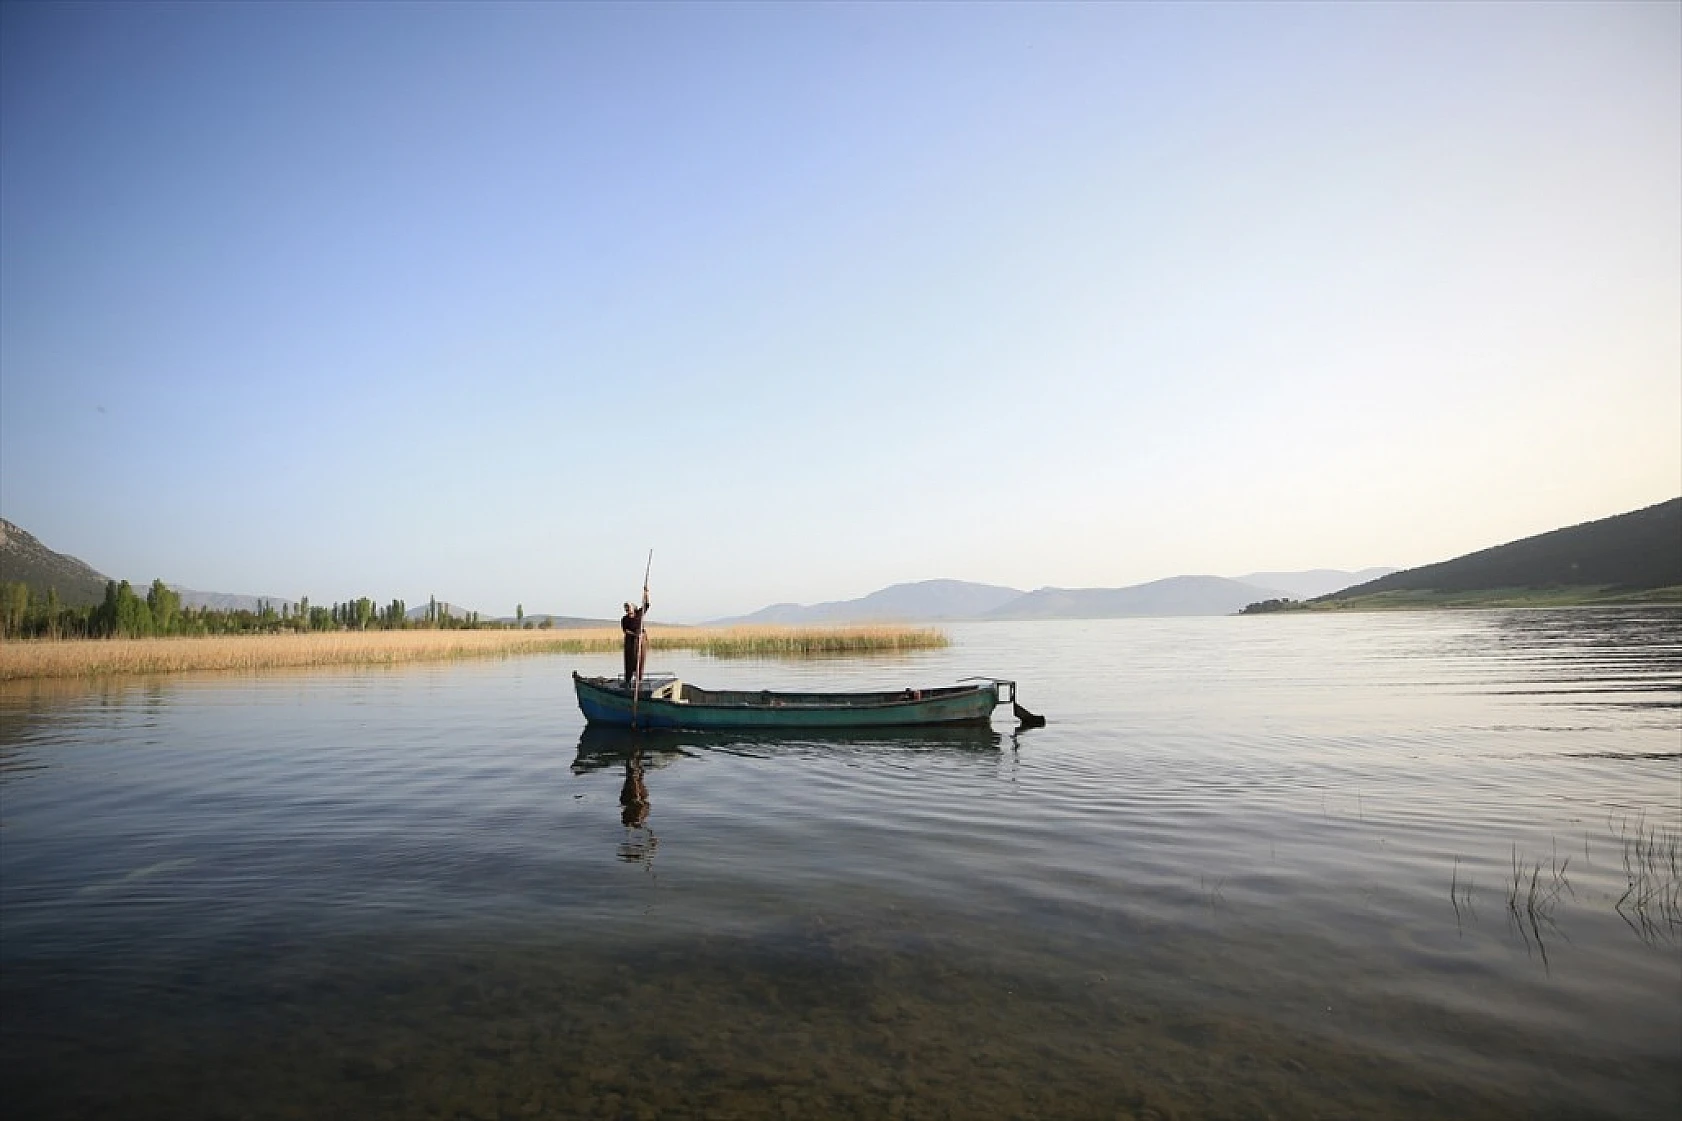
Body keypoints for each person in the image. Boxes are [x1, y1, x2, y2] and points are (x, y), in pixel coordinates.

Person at [621, 590, 649, 685]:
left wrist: (646, 593)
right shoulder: (624, 619)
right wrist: (634, 635)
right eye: (626, 608)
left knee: (640, 659)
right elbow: (625, 630)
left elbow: (647, 604)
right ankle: (628, 680)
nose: (627, 609)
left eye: (628, 607)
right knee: (629, 660)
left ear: (633, 607)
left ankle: (639, 680)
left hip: (640, 640)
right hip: (630, 640)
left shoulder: (639, 613)